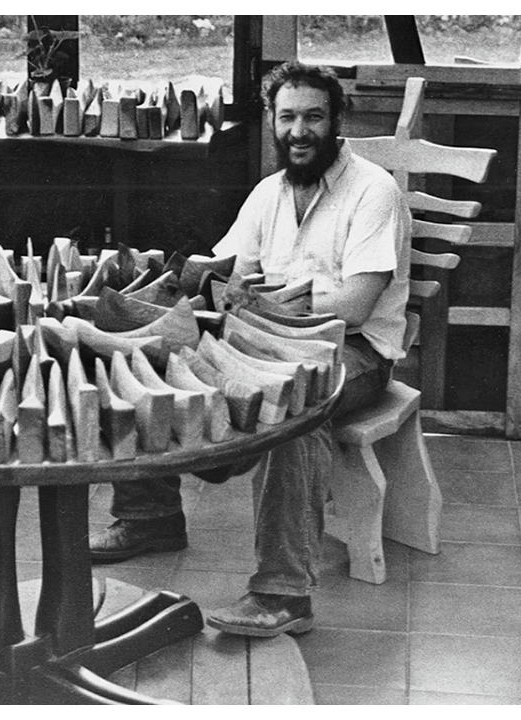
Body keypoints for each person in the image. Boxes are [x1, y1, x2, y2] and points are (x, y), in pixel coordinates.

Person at [88, 61, 411, 637]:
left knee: (295, 408)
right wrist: (175, 285)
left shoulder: (374, 190)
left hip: (354, 353)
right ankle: (149, 515)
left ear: (337, 121)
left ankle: (284, 594)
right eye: (287, 117)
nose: (299, 130)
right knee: (143, 354)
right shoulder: (269, 193)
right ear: (273, 122)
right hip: (265, 341)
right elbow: (226, 273)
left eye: (314, 116)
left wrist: (263, 306)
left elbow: (358, 305)